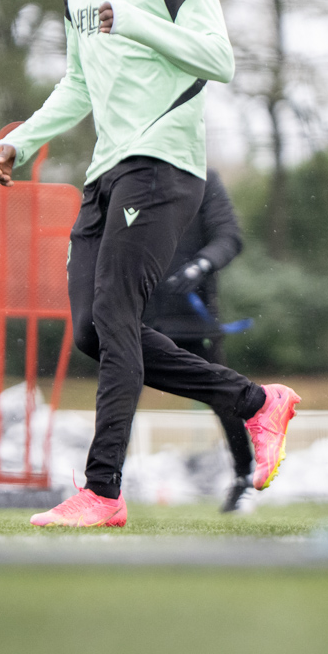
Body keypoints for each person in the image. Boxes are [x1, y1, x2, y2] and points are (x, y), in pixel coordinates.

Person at [0, 0, 299, 528]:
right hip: (106, 171)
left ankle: (103, 489)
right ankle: (255, 402)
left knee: (118, 319)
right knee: (93, 333)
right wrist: (21, 139)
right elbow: (77, 83)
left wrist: (137, 22)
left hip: (162, 165)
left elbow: (218, 58)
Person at [142, 168, 255, 512]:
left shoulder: (203, 179)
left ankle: (245, 479)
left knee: (225, 400)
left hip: (194, 323)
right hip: (139, 317)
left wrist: (201, 265)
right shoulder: (133, 172)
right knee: (118, 395)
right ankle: (103, 487)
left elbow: (229, 237)